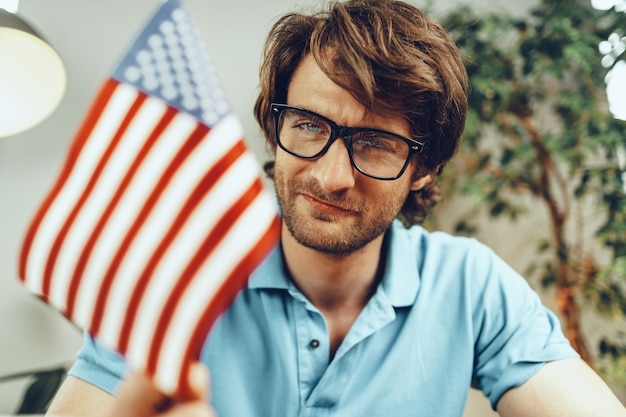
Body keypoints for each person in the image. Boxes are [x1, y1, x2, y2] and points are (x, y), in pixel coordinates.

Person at [46, 0, 626, 416]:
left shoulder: (470, 284)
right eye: (307, 125)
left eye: (376, 143)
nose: (330, 176)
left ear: (424, 167)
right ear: (274, 128)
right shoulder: (177, 272)